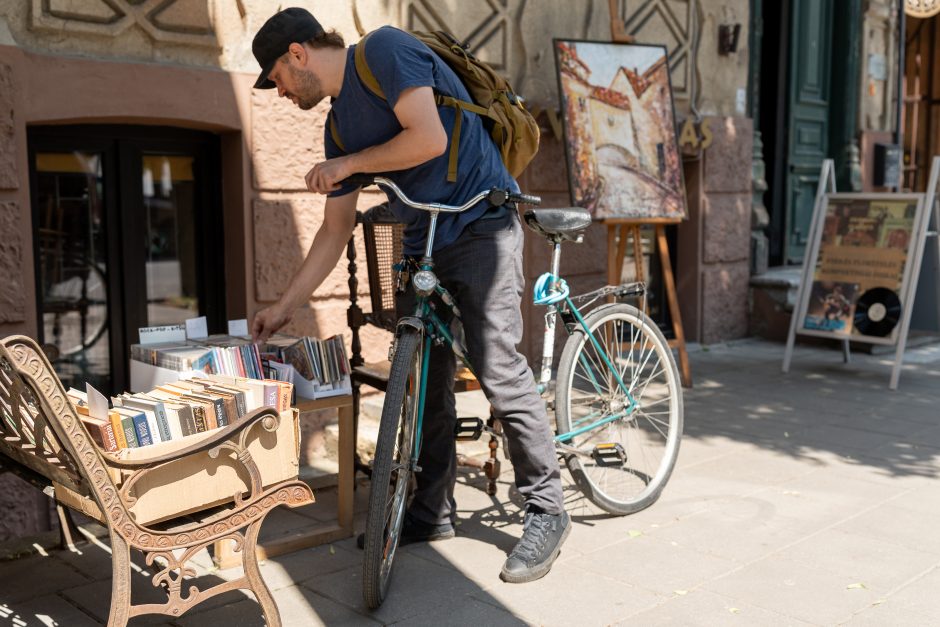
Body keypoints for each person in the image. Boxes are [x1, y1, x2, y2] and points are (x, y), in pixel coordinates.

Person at [249, 7, 569, 584]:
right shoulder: (338, 126)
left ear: (297, 54)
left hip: (480, 224)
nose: (277, 91)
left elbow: (428, 136)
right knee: (426, 381)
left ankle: (547, 508)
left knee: (498, 366)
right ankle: (430, 512)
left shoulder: (385, 52)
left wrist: (348, 164)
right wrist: (285, 305)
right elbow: (334, 230)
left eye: (274, 76)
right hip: (421, 244)